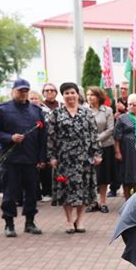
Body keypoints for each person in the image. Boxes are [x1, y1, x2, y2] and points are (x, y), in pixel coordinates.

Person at [0, 78, 47, 237]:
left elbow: (43, 137)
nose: (23, 93)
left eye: (26, 90)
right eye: (20, 90)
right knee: (9, 193)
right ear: (13, 91)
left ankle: (30, 222)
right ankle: (9, 223)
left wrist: (42, 158)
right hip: (10, 160)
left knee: (32, 193)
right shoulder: (2, 109)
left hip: (31, 159)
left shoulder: (36, 110)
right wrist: (9, 137)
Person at [46, 82, 102, 233]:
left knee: (83, 189)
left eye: (72, 92)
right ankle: (69, 220)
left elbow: (94, 134)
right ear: (62, 96)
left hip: (84, 157)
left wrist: (97, 153)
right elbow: (51, 137)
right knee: (66, 190)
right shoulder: (56, 113)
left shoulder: (87, 112)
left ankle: (80, 220)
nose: (70, 96)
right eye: (66, 93)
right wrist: (52, 156)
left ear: (78, 94)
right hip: (64, 158)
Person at [114, 94, 136, 200]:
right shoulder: (122, 118)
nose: (131, 106)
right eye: (129, 104)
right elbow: (116, 137)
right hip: (127, 151)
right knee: (127, 175)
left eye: (134, 105)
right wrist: (117, 152)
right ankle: (127, 200)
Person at [85, 87, 115, 213]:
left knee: (103, 176)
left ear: (99, 96)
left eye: (93, 95)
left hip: (105, 146)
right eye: (88, 95)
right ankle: (93, 201)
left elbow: (110, 129)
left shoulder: (107, 110)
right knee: (91, 176)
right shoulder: (83, 110)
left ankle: (103, 202)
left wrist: (96, 139)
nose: (90, 97)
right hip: (88, 148)